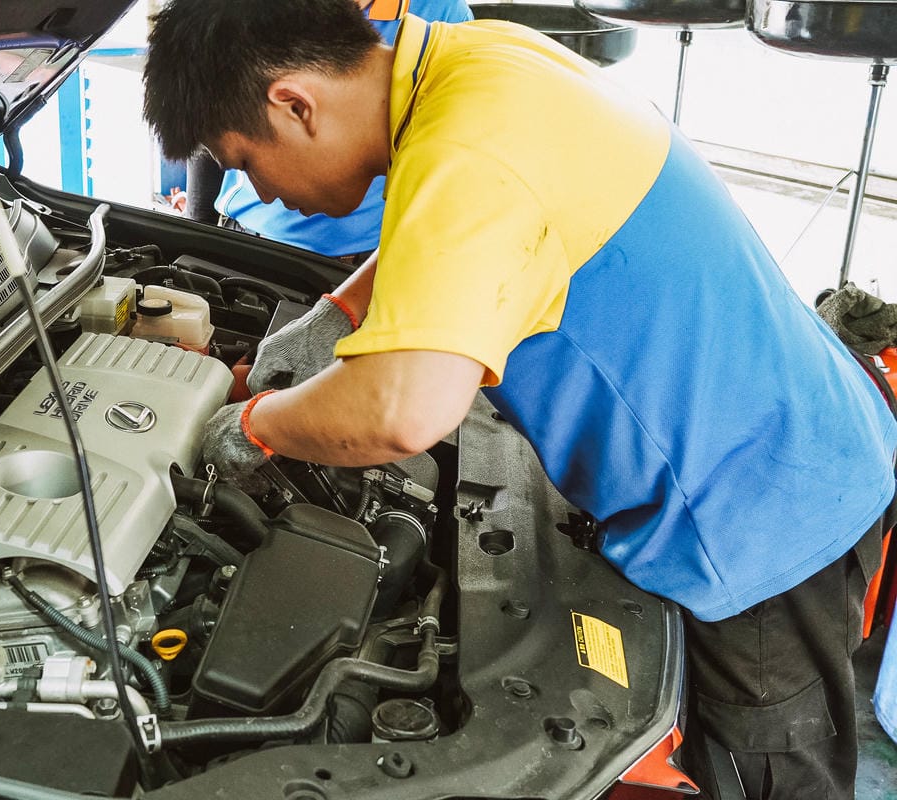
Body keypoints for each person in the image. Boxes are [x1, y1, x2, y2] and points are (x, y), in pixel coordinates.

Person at [142, 2, 897, 798]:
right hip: (781, 449)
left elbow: (404, 411)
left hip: (762, 523)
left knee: (767, 775)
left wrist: (255, 427)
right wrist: (337, 318)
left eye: (241, 160)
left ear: (295, 103)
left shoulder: (470, 147)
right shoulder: (474, 68)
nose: (253, 189)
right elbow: (453, 232)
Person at [185, 0, 472, 261]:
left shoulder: (444, 15)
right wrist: (195, 233)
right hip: (253, 238)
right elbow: (215, 118)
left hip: (372, 254)